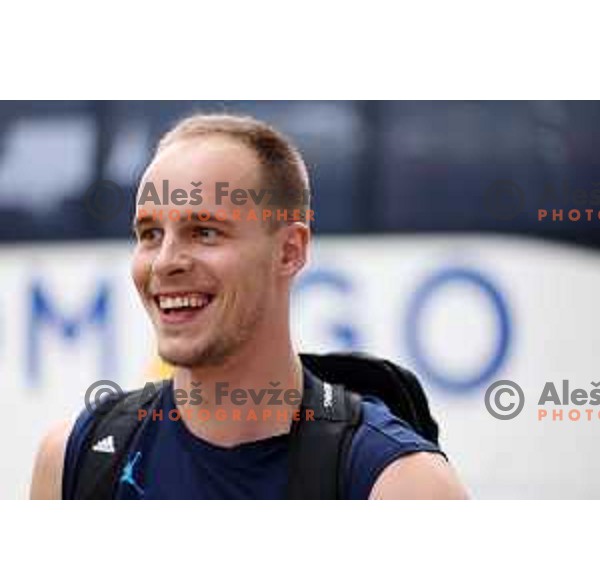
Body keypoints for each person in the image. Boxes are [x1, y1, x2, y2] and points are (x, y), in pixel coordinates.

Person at [30, 114, 468, 500]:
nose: (164, 262)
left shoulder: (403, 487)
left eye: (204, 231)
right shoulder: (73, 461)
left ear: (289, 252)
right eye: (149, 234)